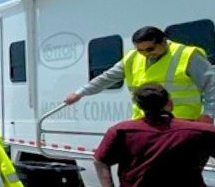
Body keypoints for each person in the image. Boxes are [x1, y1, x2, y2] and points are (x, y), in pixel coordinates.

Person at [64, 25, 214, 123]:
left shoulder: (187, 55)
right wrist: (80, 93)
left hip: (181, 123)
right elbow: (106, 78)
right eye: (140, 50)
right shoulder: (132, 57)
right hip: (144, 123)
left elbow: (211, 84)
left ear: (163, 41)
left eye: (150, 49)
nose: (146, 54)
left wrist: (209, 114)